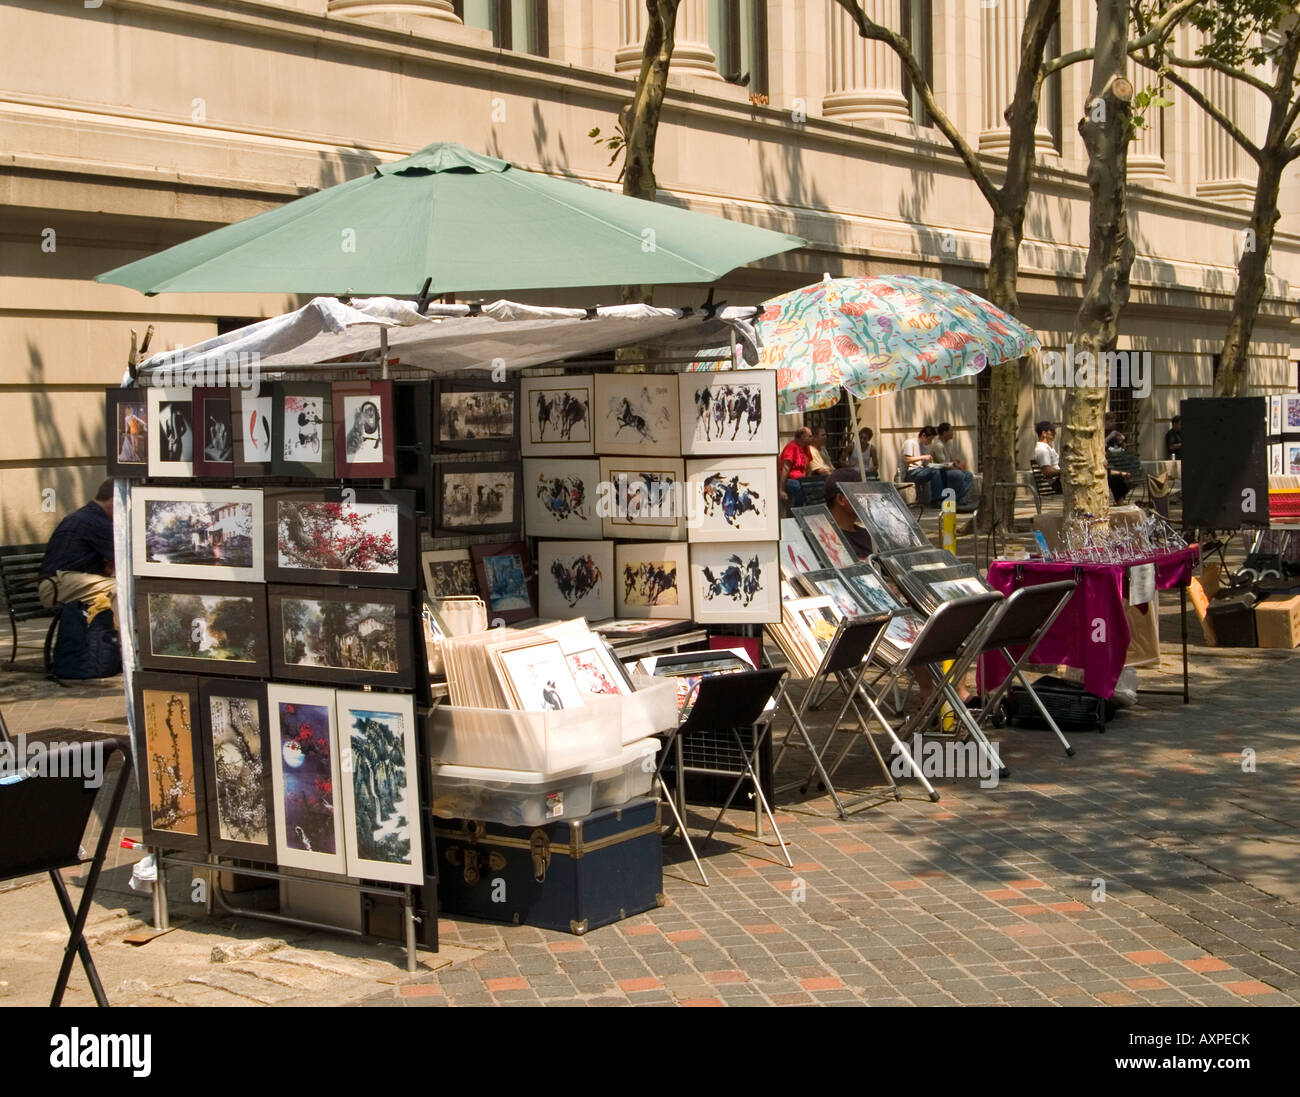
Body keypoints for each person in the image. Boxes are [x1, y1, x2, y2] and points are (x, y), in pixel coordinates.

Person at [37, 479, 117, 615]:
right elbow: (128, 558)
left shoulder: (89, 516)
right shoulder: (95, 521)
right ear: (113, 502)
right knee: (121, 589)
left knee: (124, 588)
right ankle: (121, 635)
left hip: (61, 583)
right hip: (56, 586)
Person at [822, 467, 872, 557]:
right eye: (858, 494)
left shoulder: (868, 535)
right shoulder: (827, 539)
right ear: (841, 499)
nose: (865, 499)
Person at [928, 422, 975, 510]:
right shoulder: (938, 445)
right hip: (941, 470)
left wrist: (957, 465)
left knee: (969, 475)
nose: (952, 433)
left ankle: (957, 498)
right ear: (945, 432)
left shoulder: (949, 442)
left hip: (949, 468)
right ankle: (955, 499)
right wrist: (955, 468)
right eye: (951, 431)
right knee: (959, 474)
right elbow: (943, 463)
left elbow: (951, 458)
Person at [899, 426, 948, 507]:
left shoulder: (924, 447)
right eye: (930, 439)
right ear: (923, 436)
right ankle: (936, 499)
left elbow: (925, 465)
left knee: (941, 470)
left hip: (920, 471)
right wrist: (923, 457)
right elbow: (906, 459)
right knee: (934, 472)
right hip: (910, 472)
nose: (930, 442)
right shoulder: (910, 443)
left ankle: (944, 497)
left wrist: (939, 465)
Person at [778, 427, 813, 507]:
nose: (812, 438)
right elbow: (785, 469)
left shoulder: (806, 448)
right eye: (810, 436)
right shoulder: (791, 447)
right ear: (802, 437)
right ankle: (799, 509)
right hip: (789, 480)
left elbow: (808, 467)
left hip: (801, 479)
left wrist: (809, 481)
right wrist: (781, 490)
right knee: (797, 486)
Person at [1032, 420, 1062, 493]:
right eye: (1052, 431)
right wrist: (1064, 472)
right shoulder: (1042, 449)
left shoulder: (1047, 447)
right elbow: (1047, 471)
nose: (1055, 433)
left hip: (1058, 481)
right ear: (1044, 433)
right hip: (1055, 484)